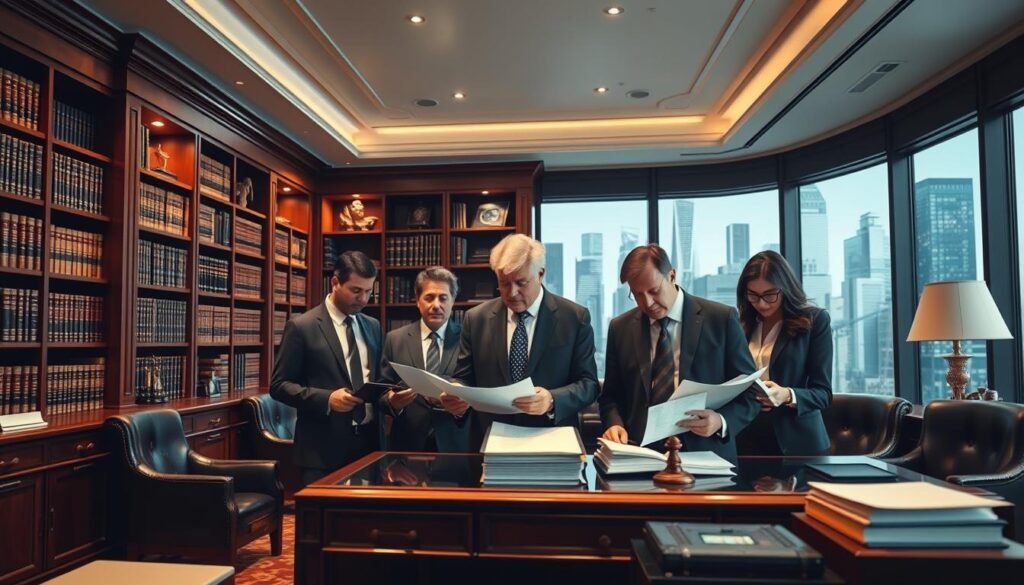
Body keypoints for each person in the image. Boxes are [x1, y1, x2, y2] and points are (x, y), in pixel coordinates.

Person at [599, 244, 760, 462]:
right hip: (639, 456)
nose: (648, 303)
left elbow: (751, 393)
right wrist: (614, 424)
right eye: (637, 295)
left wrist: (720, 421)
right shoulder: (621, 328)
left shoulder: (721, 319)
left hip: (706, 456)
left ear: (672, 275)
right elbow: (611, 396)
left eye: (654, 291)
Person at [452, 233, 599, 445]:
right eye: (504, 283)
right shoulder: (476, 319)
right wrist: (456, 396)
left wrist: (551, 399)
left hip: (552, 440)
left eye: (521, 282)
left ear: (540, 274)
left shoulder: (574, 318)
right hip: (491, 440)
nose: (512, 293)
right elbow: (463, 378)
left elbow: (589, 385)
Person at [270, 250, 382, 485]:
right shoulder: (302, 327)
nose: (363, 299)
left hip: (369, 443)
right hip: (321, 449)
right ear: (334, 282)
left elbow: (376, 377)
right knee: (322, 521)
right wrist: (327, 399)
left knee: (364, 521)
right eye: (356, 290)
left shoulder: (372, 326)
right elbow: (279, 386)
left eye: (369, 291)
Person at [735, 251, 832, 456]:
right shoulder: (740, 324)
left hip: (798, 442)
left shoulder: (815, 321)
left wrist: (786, 395)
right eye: (753, 295)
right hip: (746, 439)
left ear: (786, 288)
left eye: (770, 295)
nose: (761, 303)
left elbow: (823, 394)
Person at [378, 266, 473, 452]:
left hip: (456, 445)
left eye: (443, 298)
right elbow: (381, 392)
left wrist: (462, 406)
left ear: (453, 301)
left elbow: (478, 389)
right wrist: (392, 402)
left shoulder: (468, 339)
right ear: (417, 301)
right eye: (429, 298)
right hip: (407, 446)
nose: (436, 305)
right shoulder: (395, 339)